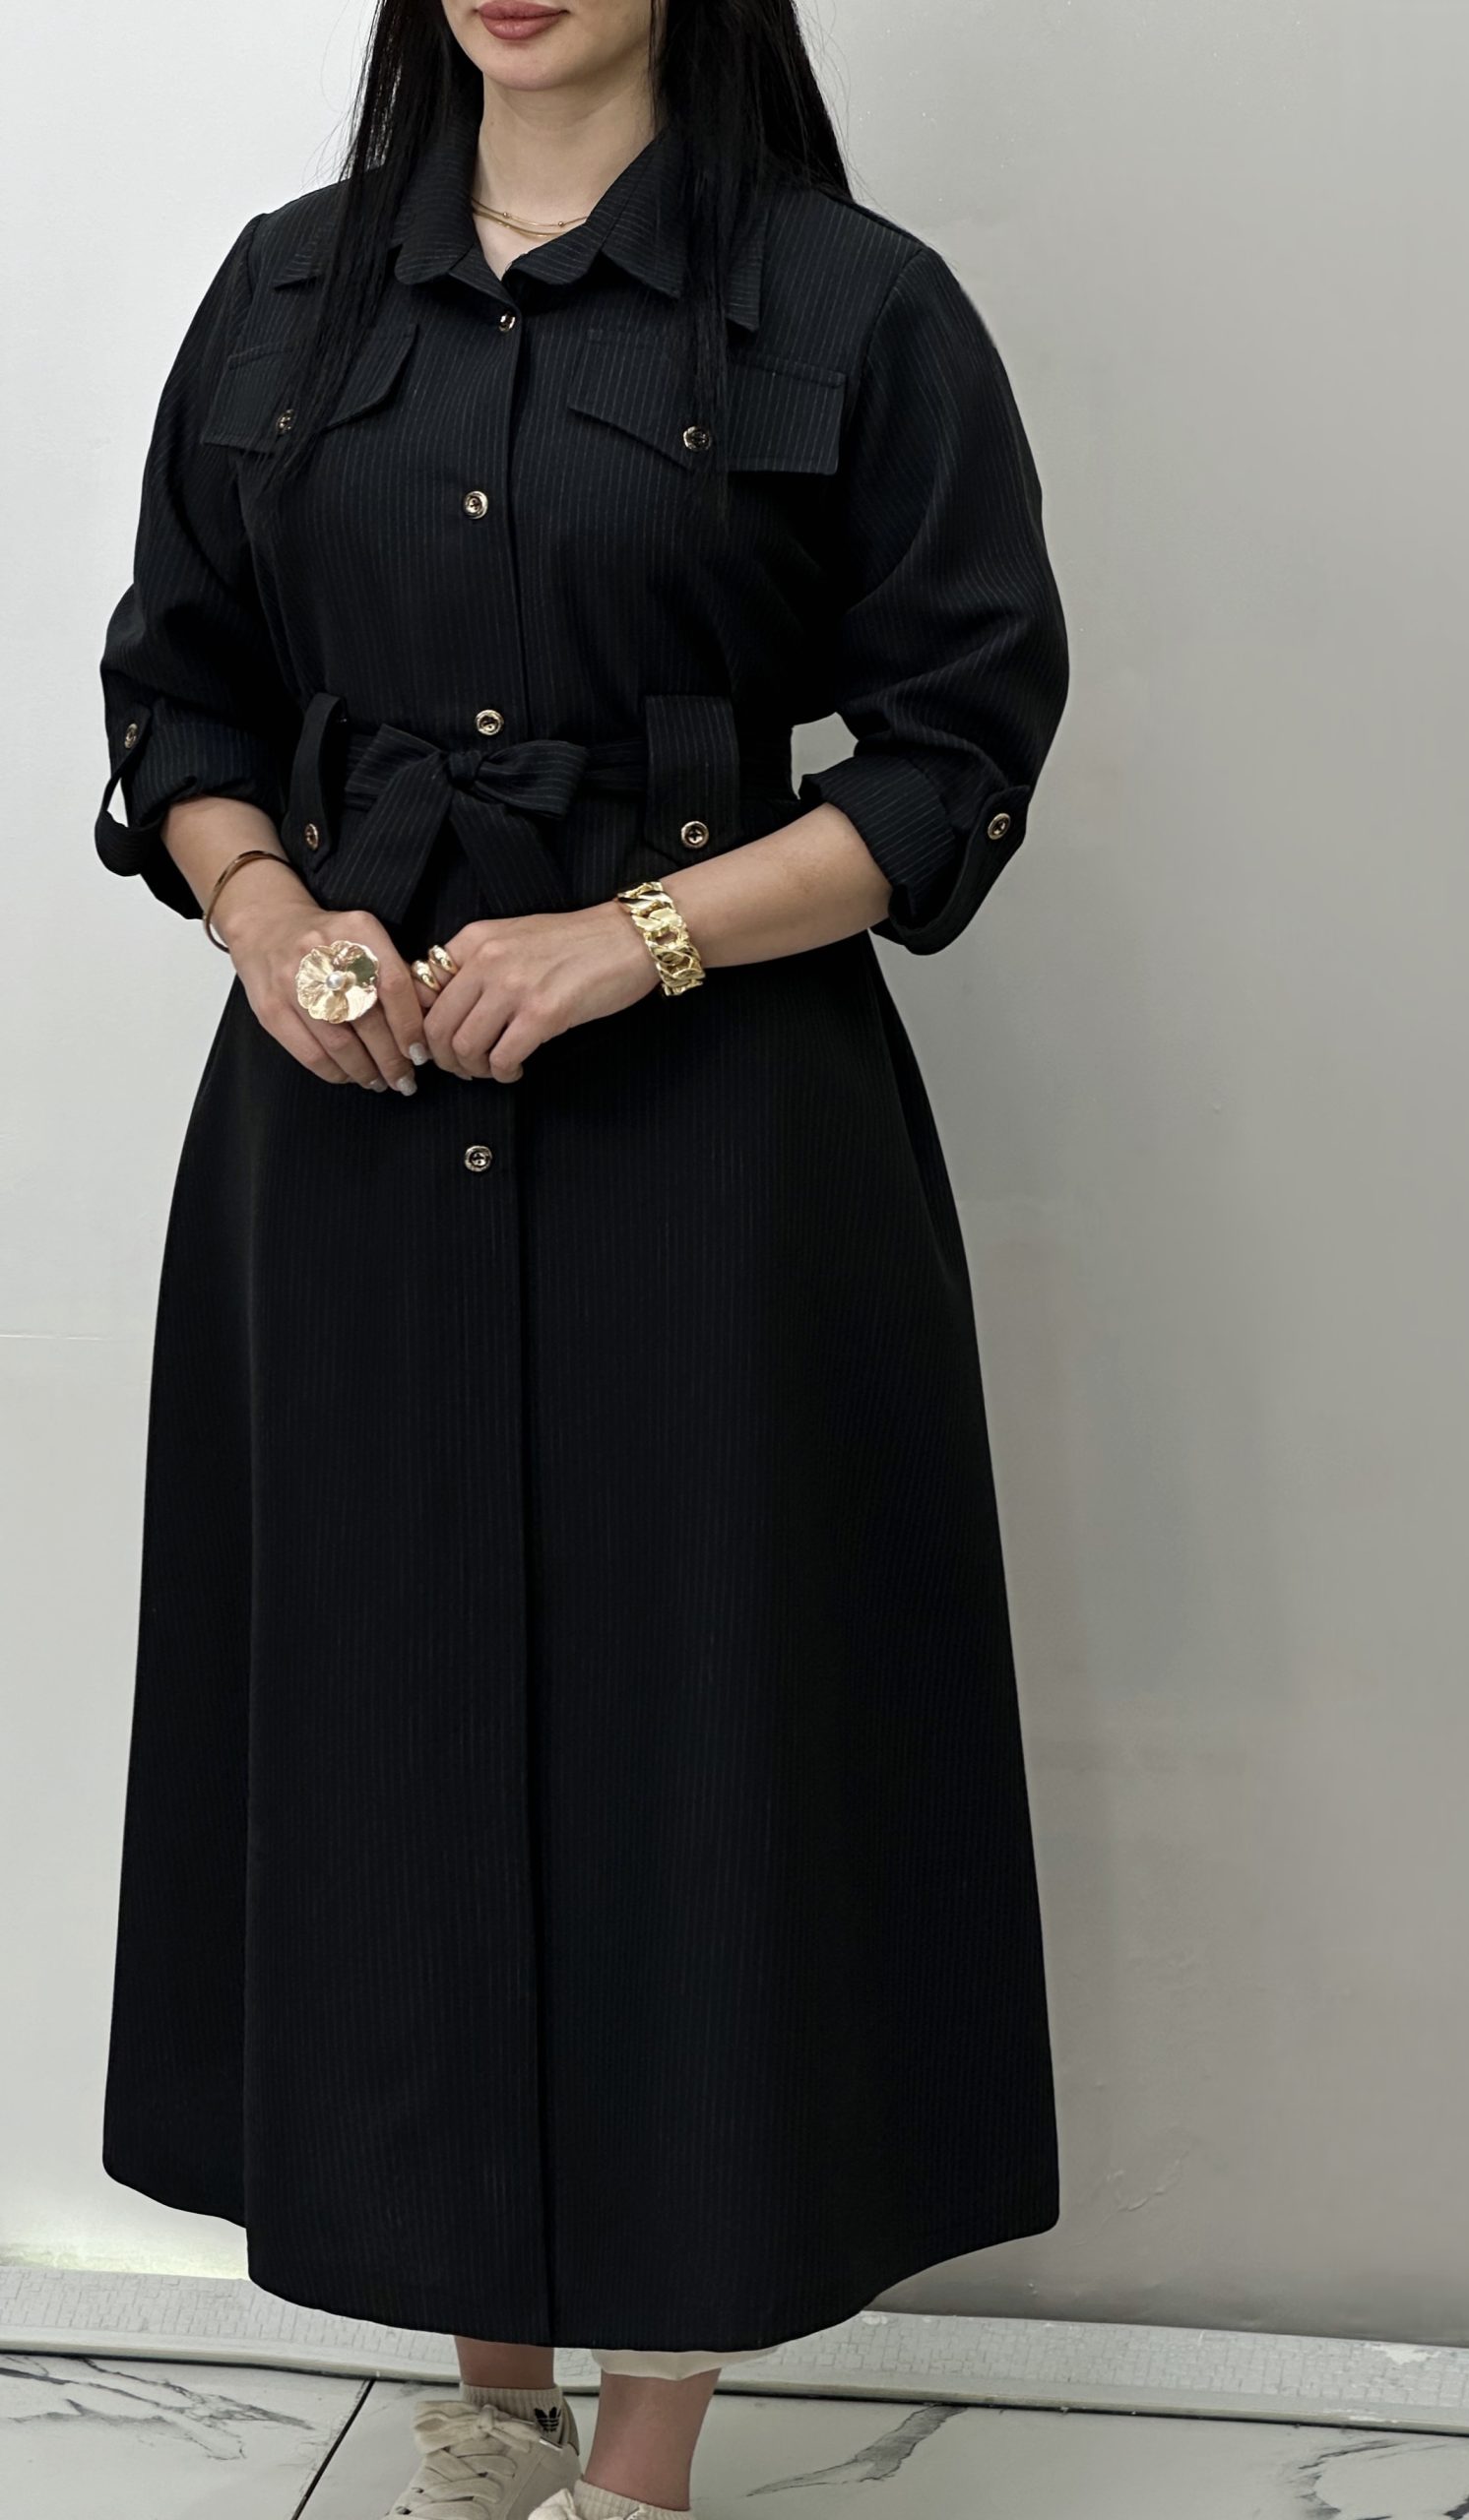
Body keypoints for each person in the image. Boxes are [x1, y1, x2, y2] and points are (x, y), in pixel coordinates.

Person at [93, 2, 1068, 2514]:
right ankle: (492, 2395)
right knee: (393, 1729)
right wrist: (273, 915)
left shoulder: (854, 305)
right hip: (348, 1129)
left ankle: (646, 2446)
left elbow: (958, 747)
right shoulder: (285, 290)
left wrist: (639, 934)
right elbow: (178, 688)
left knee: (693, 1746)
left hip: (719, 1154)